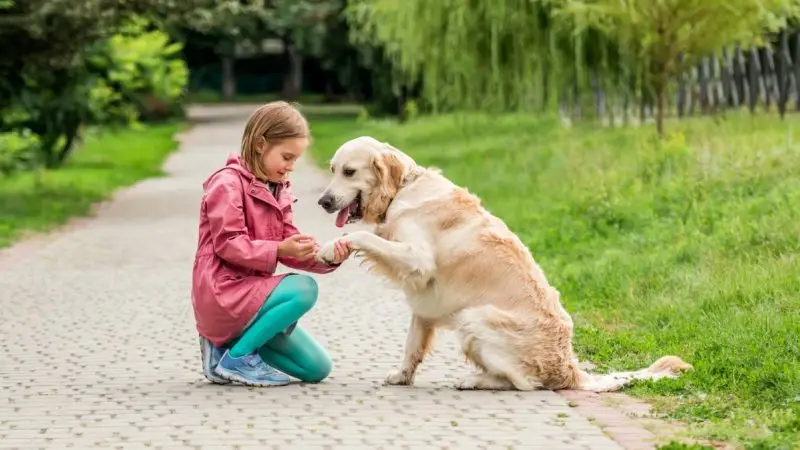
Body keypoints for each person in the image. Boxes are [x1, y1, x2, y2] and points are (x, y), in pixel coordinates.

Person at [191, 101, 351, 387]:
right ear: (261, 144)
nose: (290, 168)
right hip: (223, 294)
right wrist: (278, 250)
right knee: (304, 289)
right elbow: (228, 244)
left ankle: (227, 350)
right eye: (286, 157)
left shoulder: (279, 189)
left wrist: (331, 257)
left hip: (255, 301)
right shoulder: (226, 184)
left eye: (295, 161)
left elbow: (292, 245)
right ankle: (237, 359)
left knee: (317, 368)